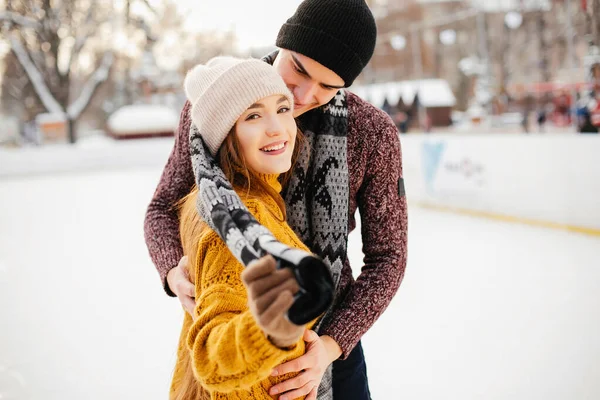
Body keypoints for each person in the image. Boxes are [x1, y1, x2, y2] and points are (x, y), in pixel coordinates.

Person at [144, 0, 408, 399]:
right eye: (299, 68)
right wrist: (172, 272)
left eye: (328, 86)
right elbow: (162, 207)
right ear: (283, 41)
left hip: (331, 341)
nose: (304, 94)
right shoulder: (217, 101)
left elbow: (389, 255)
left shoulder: (372, 133)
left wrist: (330, 347)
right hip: (236, 325)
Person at [170, 56, 317, 399]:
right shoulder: (240, 216)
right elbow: (212, 357)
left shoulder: (222, 199)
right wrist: (274, 326)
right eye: (253, 115)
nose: (277, 127)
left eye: (282, 108)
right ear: (224, 135)